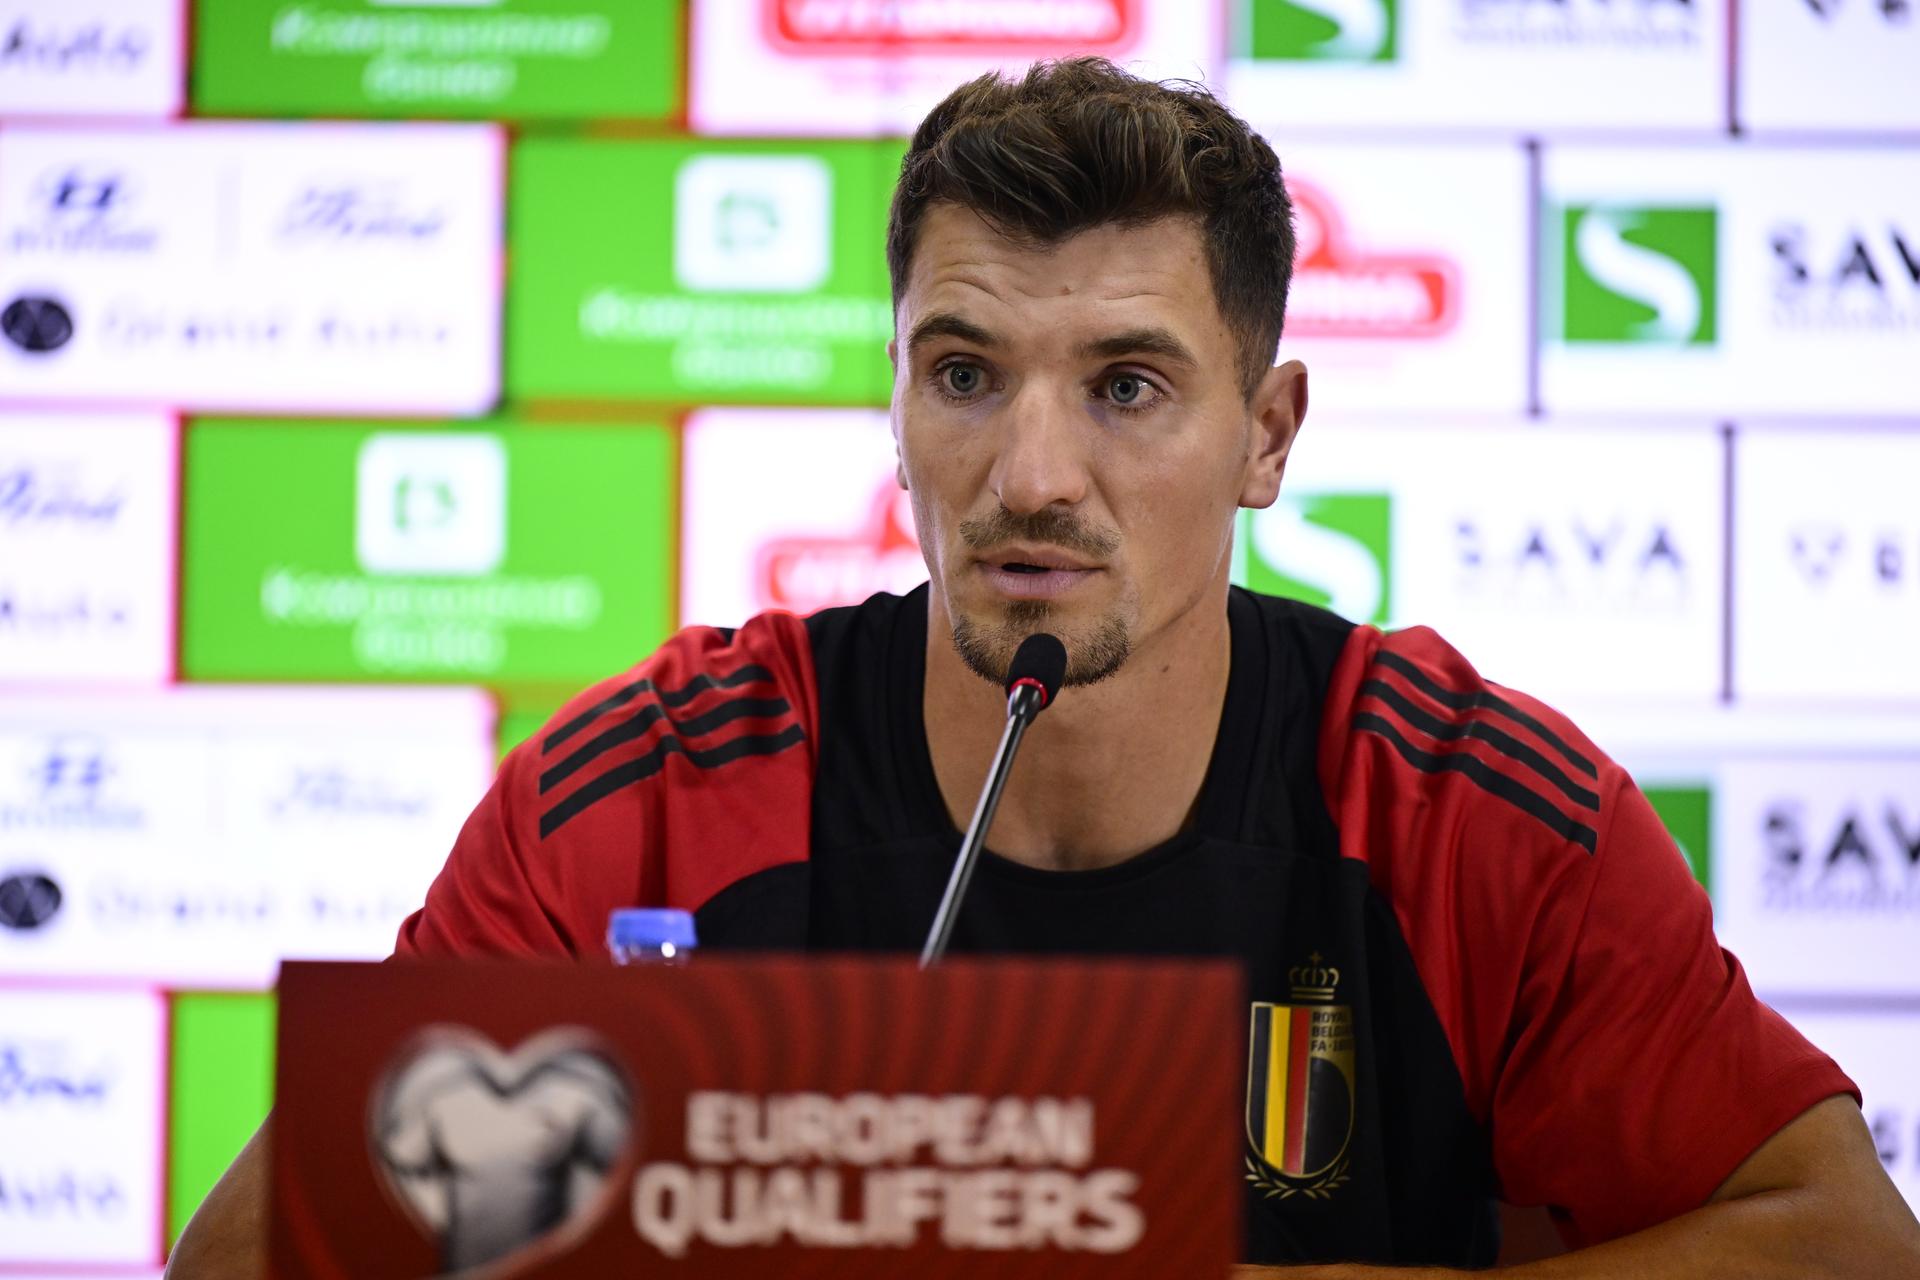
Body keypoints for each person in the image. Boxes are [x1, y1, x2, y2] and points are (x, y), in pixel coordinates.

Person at [168, 58, 1920, 1277]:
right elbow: (246, 1264)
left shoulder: (1466, 809)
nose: (1029, 476)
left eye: (1128, 387)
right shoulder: (648, 804)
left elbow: (1842, 1244)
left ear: (1269, 429)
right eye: (965, 372)